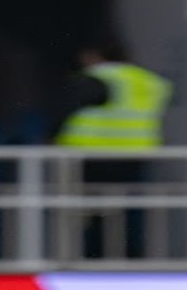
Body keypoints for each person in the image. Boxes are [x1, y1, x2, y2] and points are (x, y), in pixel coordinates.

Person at [51, 44, 173, 259]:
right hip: (137, 153)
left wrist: (53, 136)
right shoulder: (148, 80)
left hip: (95, 154)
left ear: (93, 55)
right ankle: (132, 256)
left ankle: (95, 257)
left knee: (96, 212)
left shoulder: (97, 78)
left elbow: (64, 110)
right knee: (131, 209)